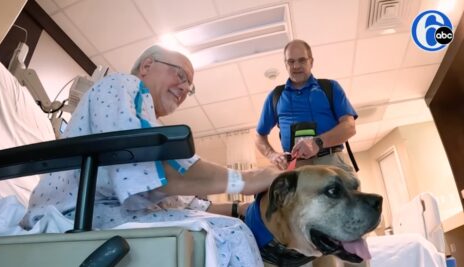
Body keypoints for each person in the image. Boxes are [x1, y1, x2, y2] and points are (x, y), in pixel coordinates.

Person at [21, 45, 278, 232]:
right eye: (181, 75)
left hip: (102, 211)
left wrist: (239, 210)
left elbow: (182, 200)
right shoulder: (124, 86)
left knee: (233, 225)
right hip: (78, 213)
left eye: (190, 85)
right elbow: (154, 175)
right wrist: (246, 180)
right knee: (230, 233)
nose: (186, 88)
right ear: (146, 66)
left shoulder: (147, 122)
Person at [255, 39, 357, 174]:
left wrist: (317, 143)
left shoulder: (330, 87)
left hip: (331, 161)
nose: (296, 66)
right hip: (296, 167)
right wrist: (271, 154)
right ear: (285, 64)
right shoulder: (275, 96)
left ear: (311, 62)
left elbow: (350, 127)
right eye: (291, 61)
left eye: (302, 60)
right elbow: (259, 136)